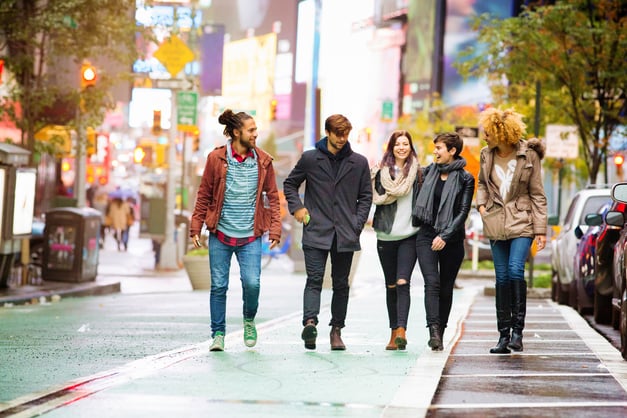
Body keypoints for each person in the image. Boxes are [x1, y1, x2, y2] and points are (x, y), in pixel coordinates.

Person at [189, 109, 281, 352]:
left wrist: (275, 228)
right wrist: (196, 225)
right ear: (237, 132)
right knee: (218, 286)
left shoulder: (263, 161)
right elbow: (204, 194)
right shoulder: (216, 159)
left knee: (252, 283)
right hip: (220, 234)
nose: (256, 134)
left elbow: (272, 196)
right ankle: (217, 334)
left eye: (255, 129)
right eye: (251, 130)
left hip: (251, 236)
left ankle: (249, 320)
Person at [283, 114, 372, 351]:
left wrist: (357, 223)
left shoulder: (359, 162)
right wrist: (298, 208)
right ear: (328, 132)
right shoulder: (310, 159)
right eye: (338, 134)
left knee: (341, 283)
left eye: (345, 134)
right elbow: (290, 184)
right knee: (314, 279)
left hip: (346, 233)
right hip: (316, 230)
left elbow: (365, 197)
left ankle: (336, 331)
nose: (342, 139)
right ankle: (310, 324)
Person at [476, 108, 547, 354]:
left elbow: (538, 194)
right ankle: (503, 336)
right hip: (496, 221)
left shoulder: (528, 156)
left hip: (522, 220)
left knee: (516, 269)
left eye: (488, 132)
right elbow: (482, 184)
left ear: (501, 133)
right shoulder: (486, 154)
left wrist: (540, 230)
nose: (484, 136)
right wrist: (482, 206)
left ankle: (518, 332)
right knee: (501, 277)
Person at [412, 132, 475, 351]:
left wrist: (445, 236)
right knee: (432, 283)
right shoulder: (426, 173)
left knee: (446, 288)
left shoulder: (466, 178)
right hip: (426, 235)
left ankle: (442, 330)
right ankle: (433, 331)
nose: (435, 151)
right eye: (435, 147)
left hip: (452, 239)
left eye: (439, 148)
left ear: (452, 151)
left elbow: (463, 211)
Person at [371, 130, 422, 350]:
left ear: (411, 147)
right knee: (391, 285)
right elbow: (369, 197)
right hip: (385, 236)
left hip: (409, 235)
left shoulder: (419, 174)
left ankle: (402, 330)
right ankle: (393, 333)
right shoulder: (379, 173)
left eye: (405, 143)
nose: (402, 147)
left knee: (403, 282)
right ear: (391, 147)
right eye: (397, 144)